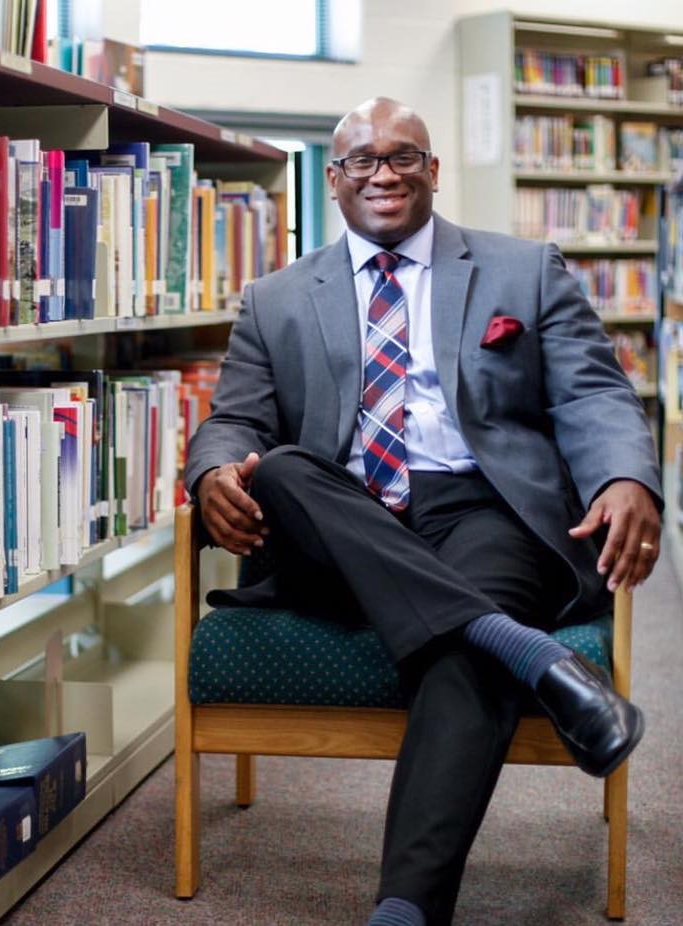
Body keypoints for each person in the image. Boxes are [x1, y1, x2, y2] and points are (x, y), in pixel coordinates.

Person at [183, 97, 663, 926]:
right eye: (362, 161)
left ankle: (403, 911)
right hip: (338, 521)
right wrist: (215, 470)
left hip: (479, 512)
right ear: (333, 181)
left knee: (459, 654)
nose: (383, 173)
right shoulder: (276, 297)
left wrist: (626, 477)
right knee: (284, 468)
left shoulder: (525, 269)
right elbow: (233, 421)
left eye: (403, 156)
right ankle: (528, 652)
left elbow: (594, 391)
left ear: (433, 171)